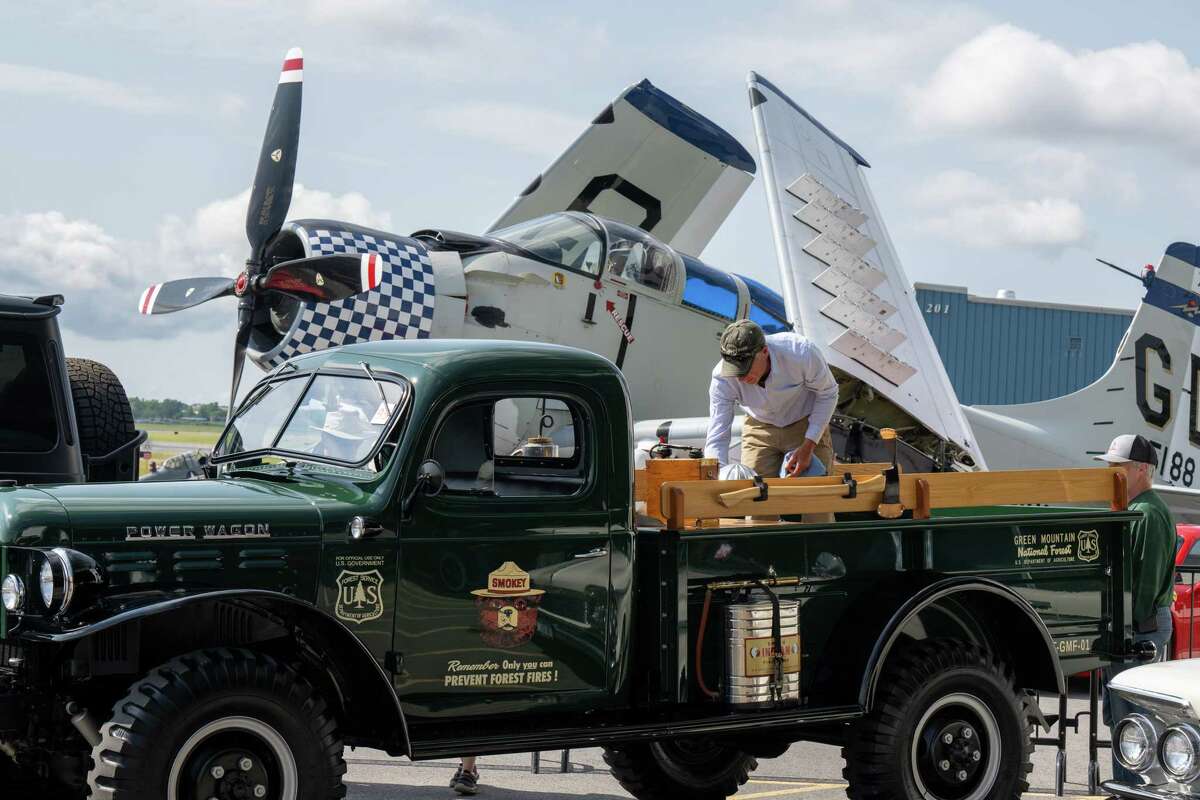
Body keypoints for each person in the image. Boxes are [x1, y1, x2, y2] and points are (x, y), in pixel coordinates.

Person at [1096, 433, 1177, 785]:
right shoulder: (1141, 510)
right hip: (1136, 625)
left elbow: (1144, 583)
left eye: (1119, 466)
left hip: (1138, 627)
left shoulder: (1148, 513)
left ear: (1142, 469)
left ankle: (1132, 790)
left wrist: (1123, 629)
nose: (1112, 472)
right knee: (1126, 720)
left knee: (1132, 723)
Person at [704, 319, 838, 482]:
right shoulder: (722, 378)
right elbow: (718, 432)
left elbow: (828, 393)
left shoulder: (801, 352)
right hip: (759, 427)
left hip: (804, 423)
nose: (741, 378)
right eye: (735, 371)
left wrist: (809, 445)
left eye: (746, 369)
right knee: (751, 494)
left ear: (765, 351)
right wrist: (714, 475)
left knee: (816, 494)